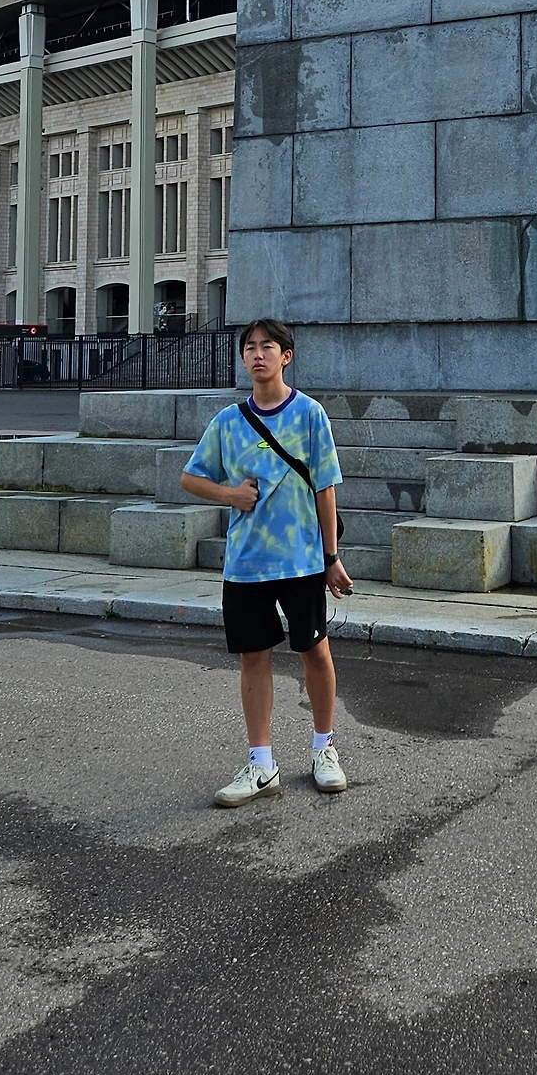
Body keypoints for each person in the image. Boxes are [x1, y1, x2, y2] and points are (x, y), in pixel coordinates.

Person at [180, 319, 353, 806]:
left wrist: (331, 557)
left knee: (315, 651)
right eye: (250, 348)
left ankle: (324, 749)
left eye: (268, 347)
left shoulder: (310, 414)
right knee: (253, 657)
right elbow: (190, 477)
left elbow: (325, 488)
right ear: (243, 359)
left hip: (300, 560)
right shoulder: (228, 421)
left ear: (286, 356)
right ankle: (261, 763)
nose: (258, 355)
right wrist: (230, 494)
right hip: (247, 563)